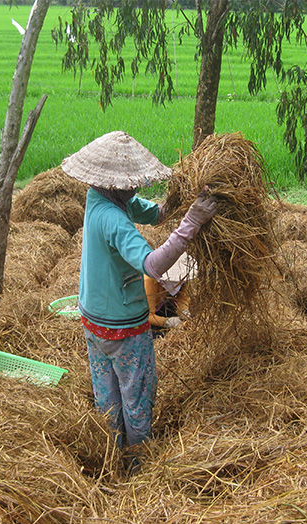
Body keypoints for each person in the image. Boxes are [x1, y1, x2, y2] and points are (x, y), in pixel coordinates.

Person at [60, 131, 217, 470]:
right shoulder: (114, 219)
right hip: (123, 327)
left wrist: (179, 204)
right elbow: (153, 265)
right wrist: (192, 223)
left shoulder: (99, 196)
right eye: (131, 183)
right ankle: (138, 466)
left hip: (92, 318)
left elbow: (154, 214)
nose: (135, 188)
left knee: (108, 394)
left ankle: (111, 454)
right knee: (136, 395)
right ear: (120, 183)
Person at [144, 252, 196, 337]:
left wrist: (183, 311)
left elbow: (182, 299)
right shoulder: (150, 282)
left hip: (165, 302)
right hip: (146, 310)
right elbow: (148, 315)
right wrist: (167, 322)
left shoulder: (183, 279)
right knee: (156, 334)